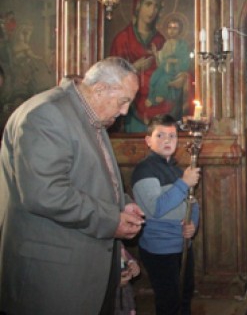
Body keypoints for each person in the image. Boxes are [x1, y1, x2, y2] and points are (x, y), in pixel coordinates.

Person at [0, 56, 145, 315]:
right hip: (52, 276)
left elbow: (93, 175)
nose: (125, 111)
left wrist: (123, 204)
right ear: (100, 89)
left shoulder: (89, 115)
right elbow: (45, 193)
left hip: (82, 268)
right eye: (123, 101)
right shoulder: (47, 114)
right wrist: (111, 220)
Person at [131, 114, 200, 315]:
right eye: (160, 135)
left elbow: (193, 203)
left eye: (172, 136)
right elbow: (156, 208)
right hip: (160, 248)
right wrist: (183, 183)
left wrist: (192, 224)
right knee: (169, 301)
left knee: (185, 294)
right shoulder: (145, 170)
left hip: (182, 244)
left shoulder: (176, 170)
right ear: (148, 140)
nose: (167, 140)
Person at [110, 0, 169, 132]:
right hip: (133, 99)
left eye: (156, 6)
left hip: (156, 97)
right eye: (148, 4)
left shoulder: (160, 40)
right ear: (138, 6)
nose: (152, 11)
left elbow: (166, 72)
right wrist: (134, 68)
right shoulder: (122, 39)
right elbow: (111, 76)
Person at [146, 17, 193, 119]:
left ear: (180, 30)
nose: (172, 30)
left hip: (175, 72)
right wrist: (155, 53)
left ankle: (157, 99)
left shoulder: (182, 44)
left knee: (164, 80)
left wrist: (173, 61)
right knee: (153, 77)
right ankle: (151, 98)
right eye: (170, 27)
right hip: (164, 69)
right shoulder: (167, 43)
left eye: (175, 28)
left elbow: (185, 61)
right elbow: (162, 58)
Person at [115, 244, 141, 315]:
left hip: (124, 294)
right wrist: (114, 281)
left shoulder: (117, 244)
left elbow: (125, 256)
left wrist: (132, 262)